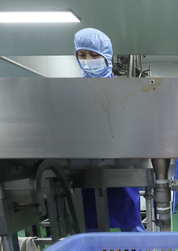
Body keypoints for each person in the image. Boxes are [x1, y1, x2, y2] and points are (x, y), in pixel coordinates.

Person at [74, 28, 145, 234]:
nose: (88, 60)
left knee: (129, 223)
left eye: (94, 55)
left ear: (106, 57)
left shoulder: (124, 92)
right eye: (82, 55)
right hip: (83, 168)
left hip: (120, 166)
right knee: (88, 227)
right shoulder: (71, 92)